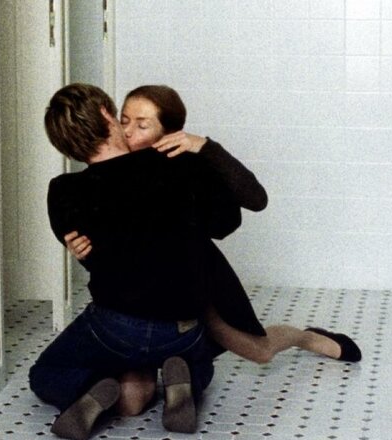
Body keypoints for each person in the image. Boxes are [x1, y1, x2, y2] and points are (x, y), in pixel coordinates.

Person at [64, 85, 362, 372]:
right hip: (143, 302)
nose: (128, 131)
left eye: (142, 125)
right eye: (124, 120)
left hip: (194, 281)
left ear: (169, 134)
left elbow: (256, 200)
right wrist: (80, 248)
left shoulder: (186, 166)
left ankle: (306, 337)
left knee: (259, 351)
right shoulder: (104, 172)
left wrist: (206, 147)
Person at [29, 83, 245, 440]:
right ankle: (186, 381)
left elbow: (96, 260)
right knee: (199, 359)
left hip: (116, 328)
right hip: (181, 327)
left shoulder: (63, 191)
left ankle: (95, 390)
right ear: (106, 115)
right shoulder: (176, 161)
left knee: (45, 373)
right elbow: (227, 223)